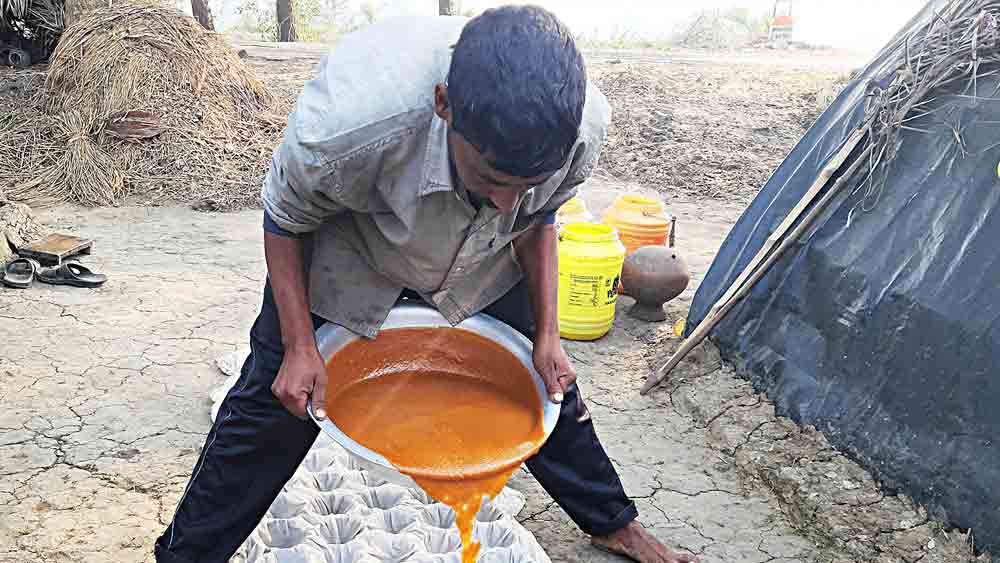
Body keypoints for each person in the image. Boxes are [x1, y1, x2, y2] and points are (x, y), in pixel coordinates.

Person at [154, 6, 697, 563]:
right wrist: (297, 345)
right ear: (444, 105)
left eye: (527, 182)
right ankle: (185, 554)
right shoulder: (349, 128)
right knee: (277, 402)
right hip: (351, 249)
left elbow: (536, 219)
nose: (509, 198)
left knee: (543, 383)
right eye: (491, 176)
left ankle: (613, 522)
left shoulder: (578, 129)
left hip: (486, 250)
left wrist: (548, 335)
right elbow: (286, 220)